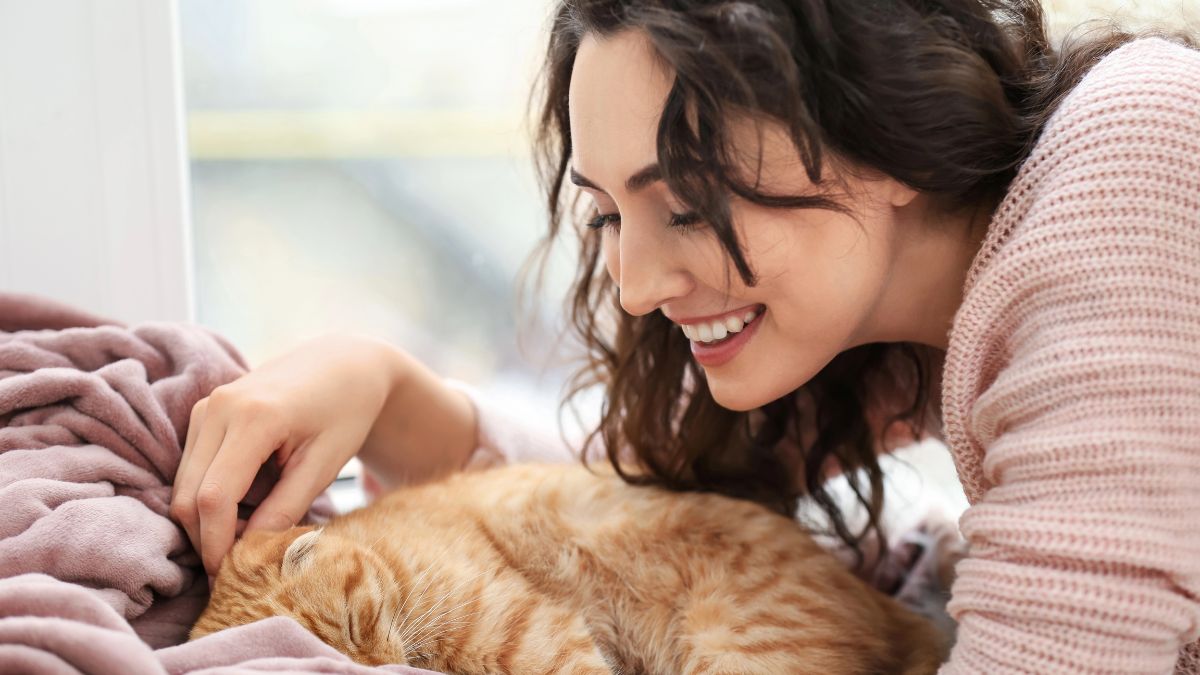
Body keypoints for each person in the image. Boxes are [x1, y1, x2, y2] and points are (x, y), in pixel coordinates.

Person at [170, 1, 1200, 671]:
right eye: (611, 213)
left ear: (889, 133)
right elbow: (632, 512)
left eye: (690, 199)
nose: (634, 286)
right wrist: (386, 387)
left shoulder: (1133, 152)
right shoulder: (898, 322)